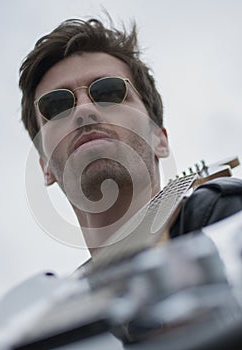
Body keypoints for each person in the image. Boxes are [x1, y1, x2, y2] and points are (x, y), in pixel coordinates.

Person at [19, 16, 242, 345]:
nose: (83, 111)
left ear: (159, 140)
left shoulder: (225, 216)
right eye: (57, 106)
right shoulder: (54, 319)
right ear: (46, 167)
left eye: (109, 92)